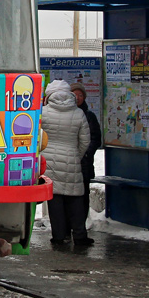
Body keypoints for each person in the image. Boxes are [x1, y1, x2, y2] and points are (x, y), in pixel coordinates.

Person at [41, 78, 93, 247]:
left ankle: (59, 236)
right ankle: (79, 235)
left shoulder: (44, 112)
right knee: (75, 198)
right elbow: (85, 140)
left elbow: (38, 137)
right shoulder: (78, 113)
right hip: (72, 159)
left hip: (49, 160)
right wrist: (75, 155)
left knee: (55, 199)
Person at [70, 83, 103, 191]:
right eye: (75, 95)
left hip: (85, 163)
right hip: (69, 161)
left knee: (83, 193)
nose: (78, 98)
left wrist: (87, 153)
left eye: (81, 95)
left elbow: (96, 138)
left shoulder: (89, 116)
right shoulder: (66, 114)